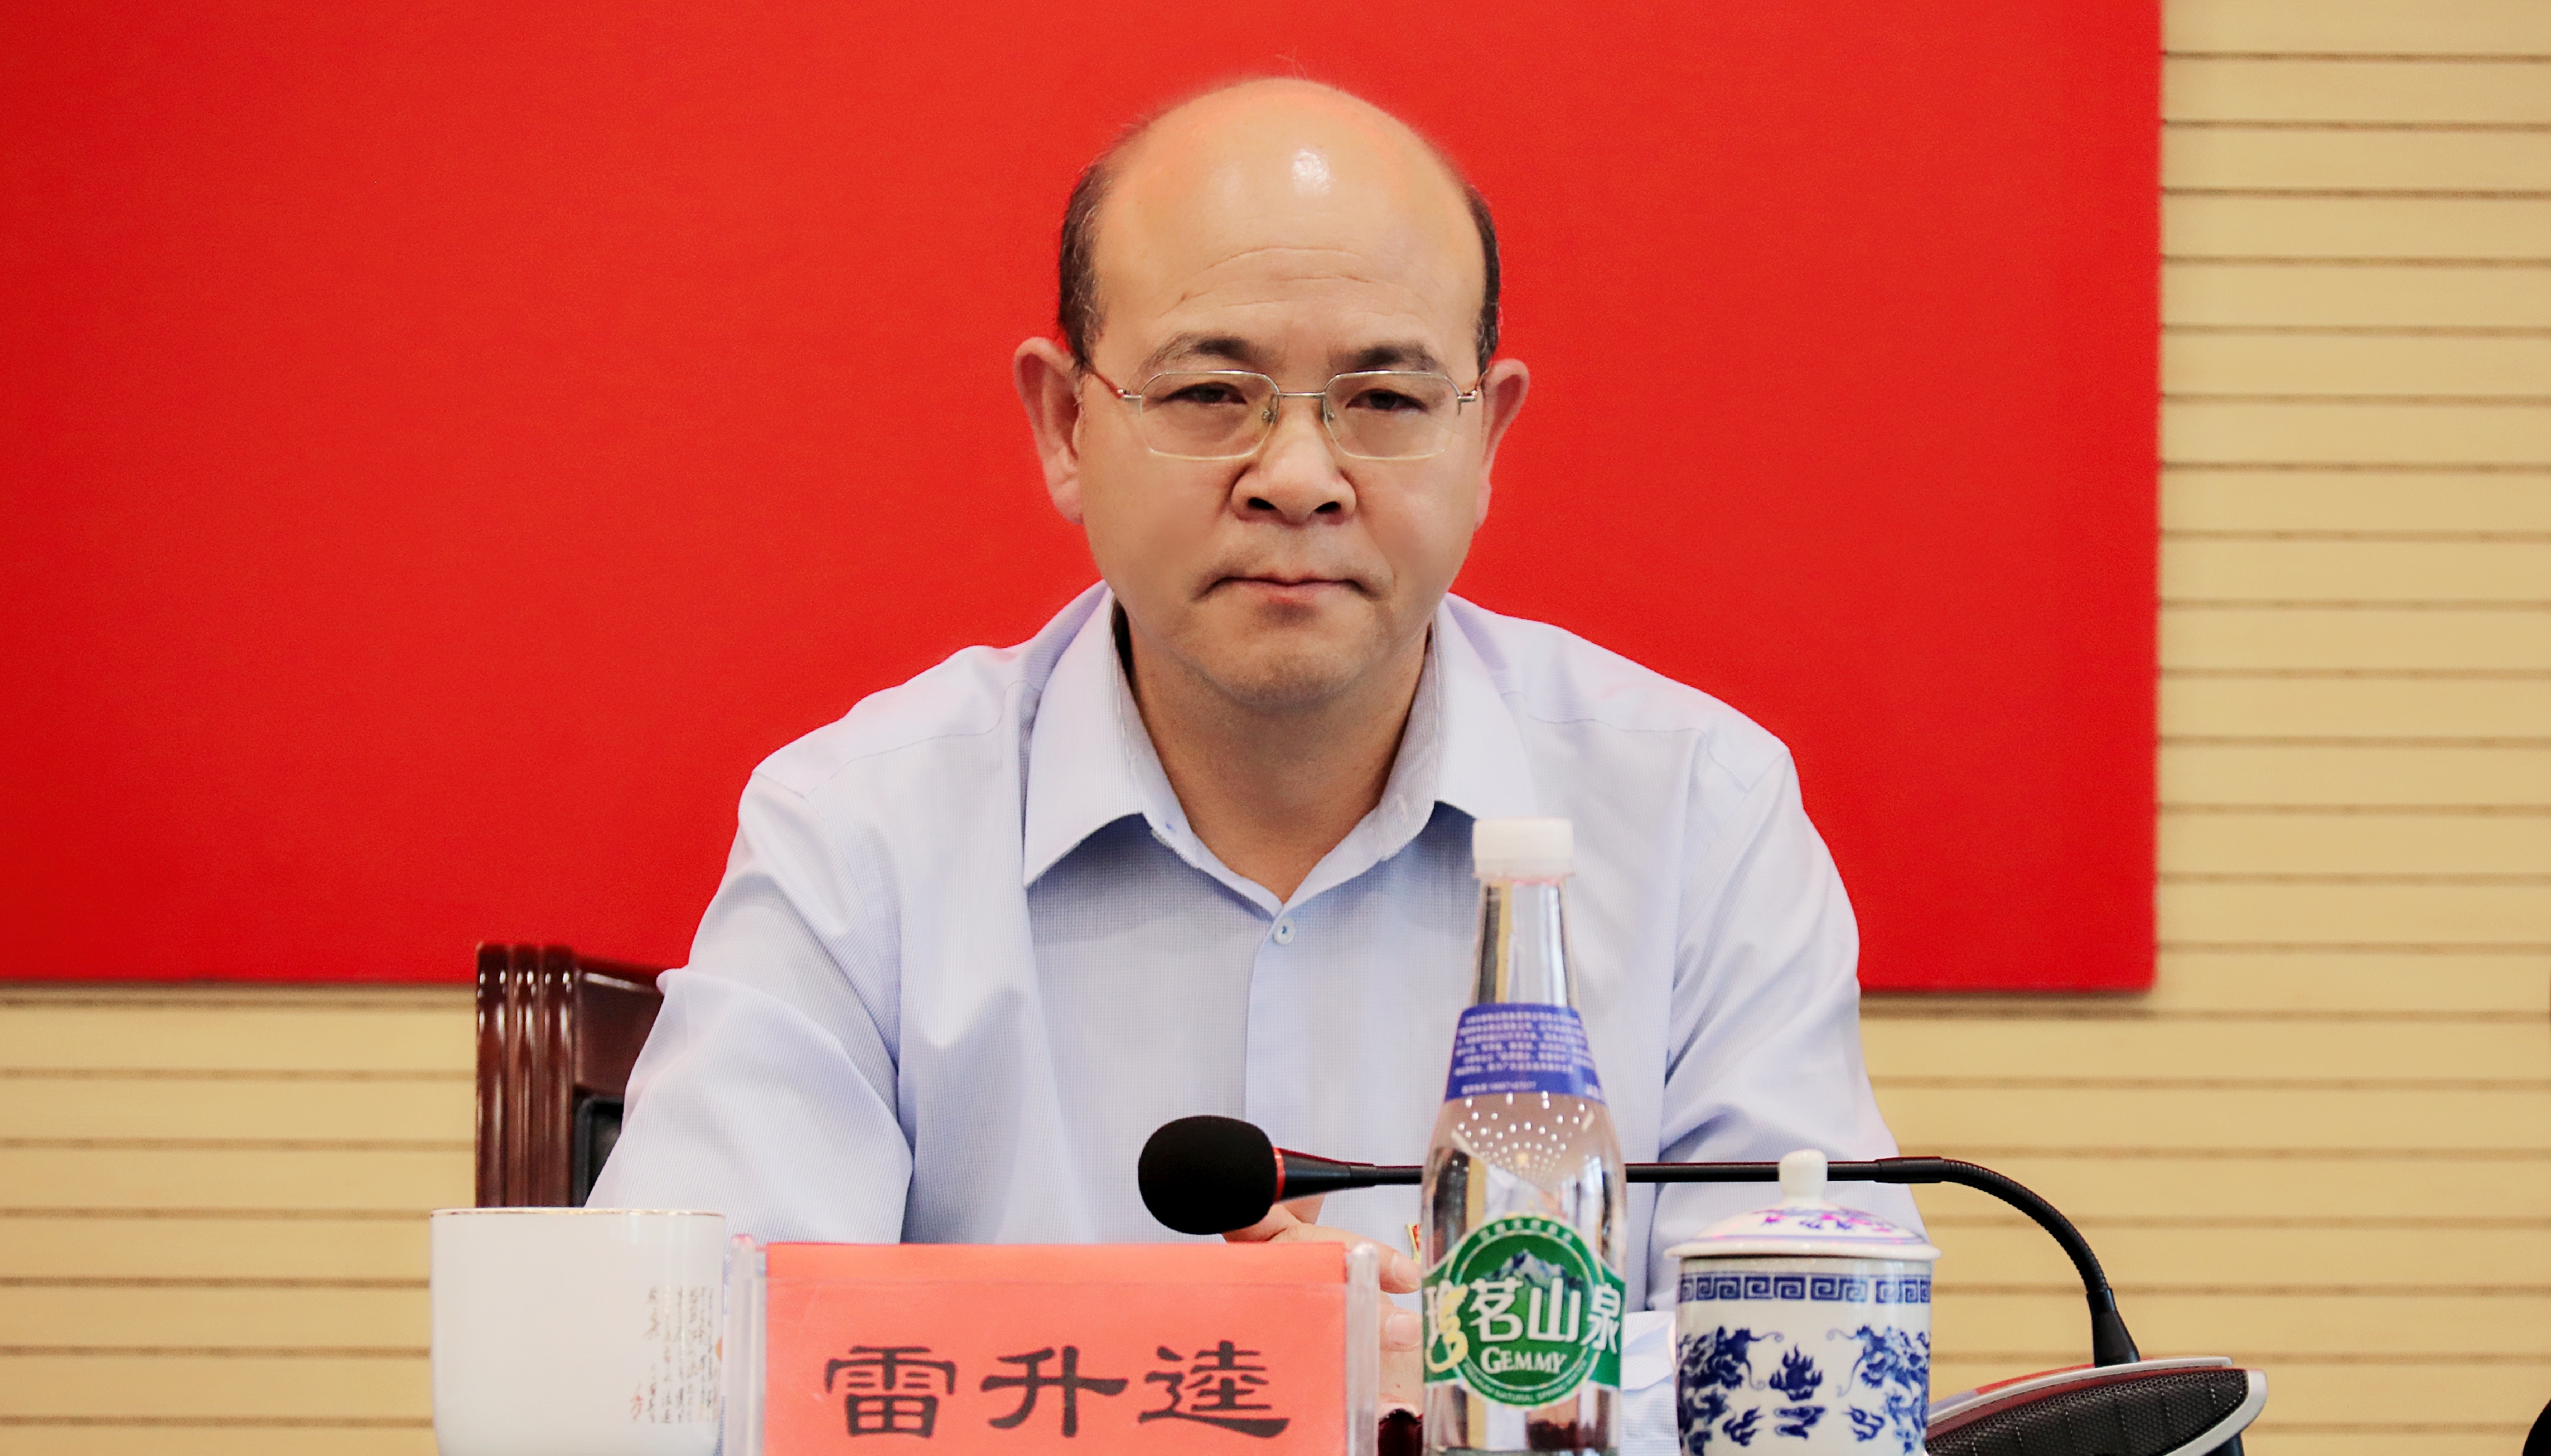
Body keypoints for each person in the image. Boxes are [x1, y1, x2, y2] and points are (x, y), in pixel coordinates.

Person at [589, 80, 1913, 1379]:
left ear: (1486, 440)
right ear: (1064, 426)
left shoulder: (1696, 813)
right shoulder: (861, 830)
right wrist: (1179, 1378)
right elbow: (675, 1370)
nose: (1296, 477)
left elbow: (1828, 1364)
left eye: (1384, 402)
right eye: (1211, 394)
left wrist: (1473, 1379)